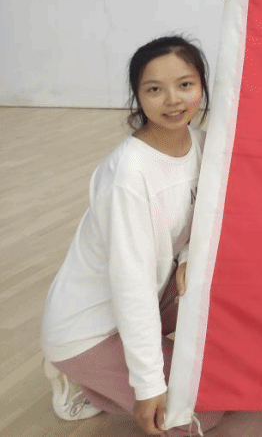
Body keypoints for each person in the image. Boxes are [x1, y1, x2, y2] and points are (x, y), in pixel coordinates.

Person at [40, 36, 224, 435]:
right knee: (200, 415)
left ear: (202, 85)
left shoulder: (201, 144)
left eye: (185, 85)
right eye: (154, 89)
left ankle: (113, 375)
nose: (172, 100)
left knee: (228, 291)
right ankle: (85, 382)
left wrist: (190, 256)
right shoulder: (128, 175)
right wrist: (148, 386)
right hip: (89, 329)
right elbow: (131, 285)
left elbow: (208, 216)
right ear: (138, 97)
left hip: (154, 294)